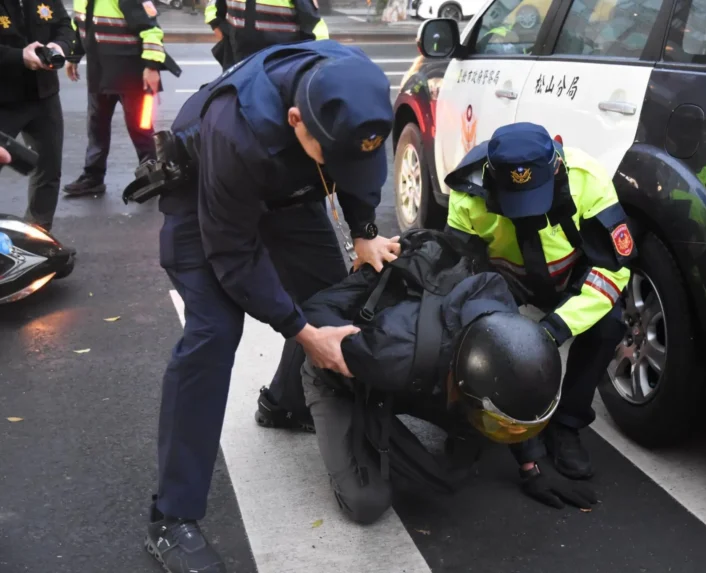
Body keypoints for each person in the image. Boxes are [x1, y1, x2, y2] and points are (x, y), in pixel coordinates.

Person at [144, 40, 400, 573]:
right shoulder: (237, 128)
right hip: (207, 197)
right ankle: (171, 518)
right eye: (334, 154)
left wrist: (365, 233)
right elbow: (234, 256)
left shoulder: (357, 93)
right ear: (295, 121)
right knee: (214, 333)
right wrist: (301, 330)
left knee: (331, 299)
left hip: (288, 190)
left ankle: (283, 404)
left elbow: (360, 169)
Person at [297, 228, 598, 525]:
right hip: (345, 371)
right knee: (366, 502)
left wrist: (533, 464)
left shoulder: (502, 317)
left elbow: (510, 387)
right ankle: (286, 403)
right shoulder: (390, 352)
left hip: (436, 367)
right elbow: (314, 319)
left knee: (488, 427)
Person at [444, 123, 636, 481]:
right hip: (506, 280)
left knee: (607, 325)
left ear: (557, 168)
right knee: (476, 334)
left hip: (570, 277)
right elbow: (462, 279)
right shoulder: (466, 197)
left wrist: (555, 328)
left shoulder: (588, 179)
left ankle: (566, 425)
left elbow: (612, 271)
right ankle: (486, 423)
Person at [61, 0, 179, 196]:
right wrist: (73, 55)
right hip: (99, 73)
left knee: (140, 129)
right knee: (96, 126)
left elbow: (151, 31)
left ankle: (150, 177)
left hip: (133, 74)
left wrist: (151, 66)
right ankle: (93, 177)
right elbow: (80, 26)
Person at [0, 0, 75, 231]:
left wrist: (60, 46)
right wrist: (19, 57)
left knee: (48, 169)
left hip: (44, 95)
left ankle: (38, 237)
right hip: (4, 99)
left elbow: (65, 24)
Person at [204, 0, 329, 70]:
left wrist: (319, 61)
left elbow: (313, 25)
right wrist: (216, 25)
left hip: (278, 69)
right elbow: (214, 10)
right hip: (238, 68)